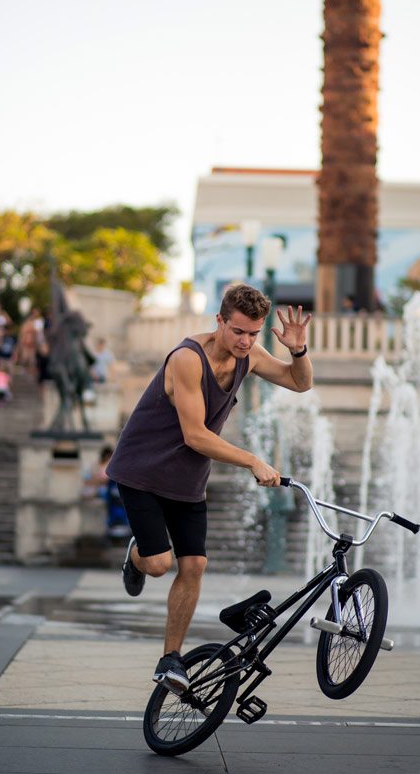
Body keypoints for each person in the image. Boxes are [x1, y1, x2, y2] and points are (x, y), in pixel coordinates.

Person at [106, 282, 312, 694]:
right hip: (142, 471)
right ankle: (136, 555)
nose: (246, 341)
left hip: (186, 479)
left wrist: (298, 350)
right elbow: (195, 435)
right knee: (160, 563)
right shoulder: (187, 359)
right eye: (238, 331)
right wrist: (253, 459)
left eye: (253, 333)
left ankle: (171, 659)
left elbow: (299, 382)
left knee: (195, 564)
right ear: (219, 321)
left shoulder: (250, 354)